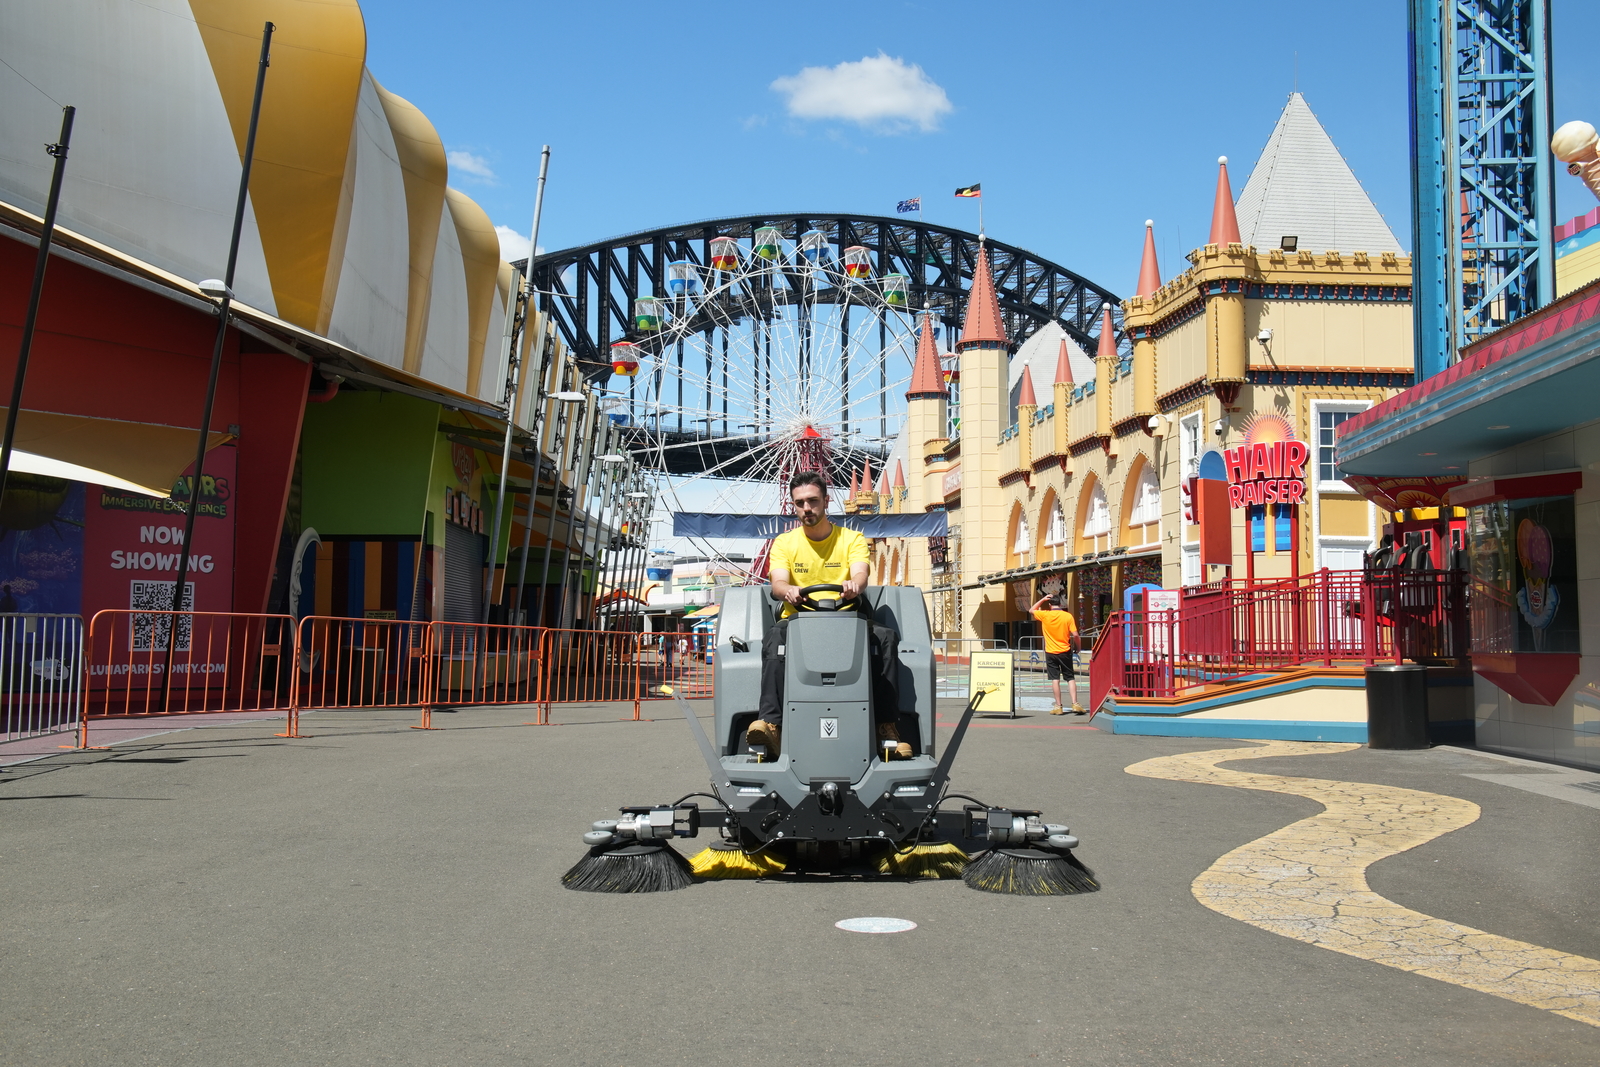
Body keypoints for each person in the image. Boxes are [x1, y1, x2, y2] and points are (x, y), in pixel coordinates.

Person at [748, 471, 911, 759]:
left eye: (812, 501)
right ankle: (772, 724)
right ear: (793, 505)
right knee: (774, 638)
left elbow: (861, 574)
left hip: (848, 619)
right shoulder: (785, 543)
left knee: (886, 638)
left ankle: (886, 726)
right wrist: (787, 591)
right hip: (798, 620)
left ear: (826, 500)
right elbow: (778, 583)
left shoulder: (852, 539)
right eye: (800, 503)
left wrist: (854, 586)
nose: (806, 508)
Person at [1030, 594, 1083, 715]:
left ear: (1049, 605)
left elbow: (1031, 610)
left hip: (1050, 652)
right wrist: (1078, 647)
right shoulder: (1067, 616)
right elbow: (1075, 635)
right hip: (1065, 651)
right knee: (1070, 678)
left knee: (1055, 679)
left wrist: (1043, 599)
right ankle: (1075, 703)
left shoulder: (1045, 615)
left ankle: (1058, 706)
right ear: (1061, 604)